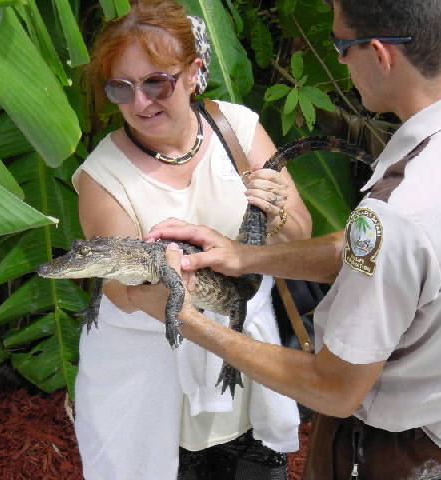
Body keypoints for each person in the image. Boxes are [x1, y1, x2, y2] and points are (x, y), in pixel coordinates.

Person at [147, 0, 441, 479]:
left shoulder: (399, 216)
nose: (341, 60)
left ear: (380, 54)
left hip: (384, 452)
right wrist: (246, 257)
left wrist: (183, 318)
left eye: (341, 45)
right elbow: (393, 259)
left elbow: (334, 388)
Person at [72, 1, 312, 479]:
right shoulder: (102, 176)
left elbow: (300, 235)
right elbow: (124, 288)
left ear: (194, 72)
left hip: (244, 365)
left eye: (156, 83)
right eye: (121, 87)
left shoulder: (238, 129)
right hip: (151, 378)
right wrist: (165, 291)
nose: (140, 103)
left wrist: (277, 211)